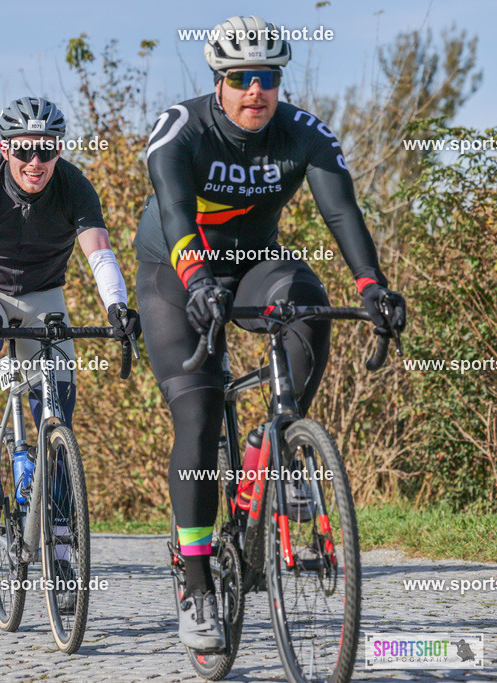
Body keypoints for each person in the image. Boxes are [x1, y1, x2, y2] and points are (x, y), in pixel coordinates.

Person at [134, 15, 407, 651]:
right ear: (218, 82)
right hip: (176, 271)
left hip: (255, 265)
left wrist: (372, 286)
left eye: (267, 77)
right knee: (199, 413)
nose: (255, 90)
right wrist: (197, 280)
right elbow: (175, 210)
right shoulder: (182, 127)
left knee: (308, 305)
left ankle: (275, 440)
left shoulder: (304, 131)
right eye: (240, 79)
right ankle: (196, 583)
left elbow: (341, 209)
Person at [0, 96, 140, 607]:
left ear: (59, 150)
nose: (35, 161)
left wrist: (117, 307)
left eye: (47, 150)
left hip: (43, 295)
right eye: (24, 150)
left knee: (57, 408)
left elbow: (100, 253)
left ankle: (59, 542)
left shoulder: (75, 185)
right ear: (5, 149)